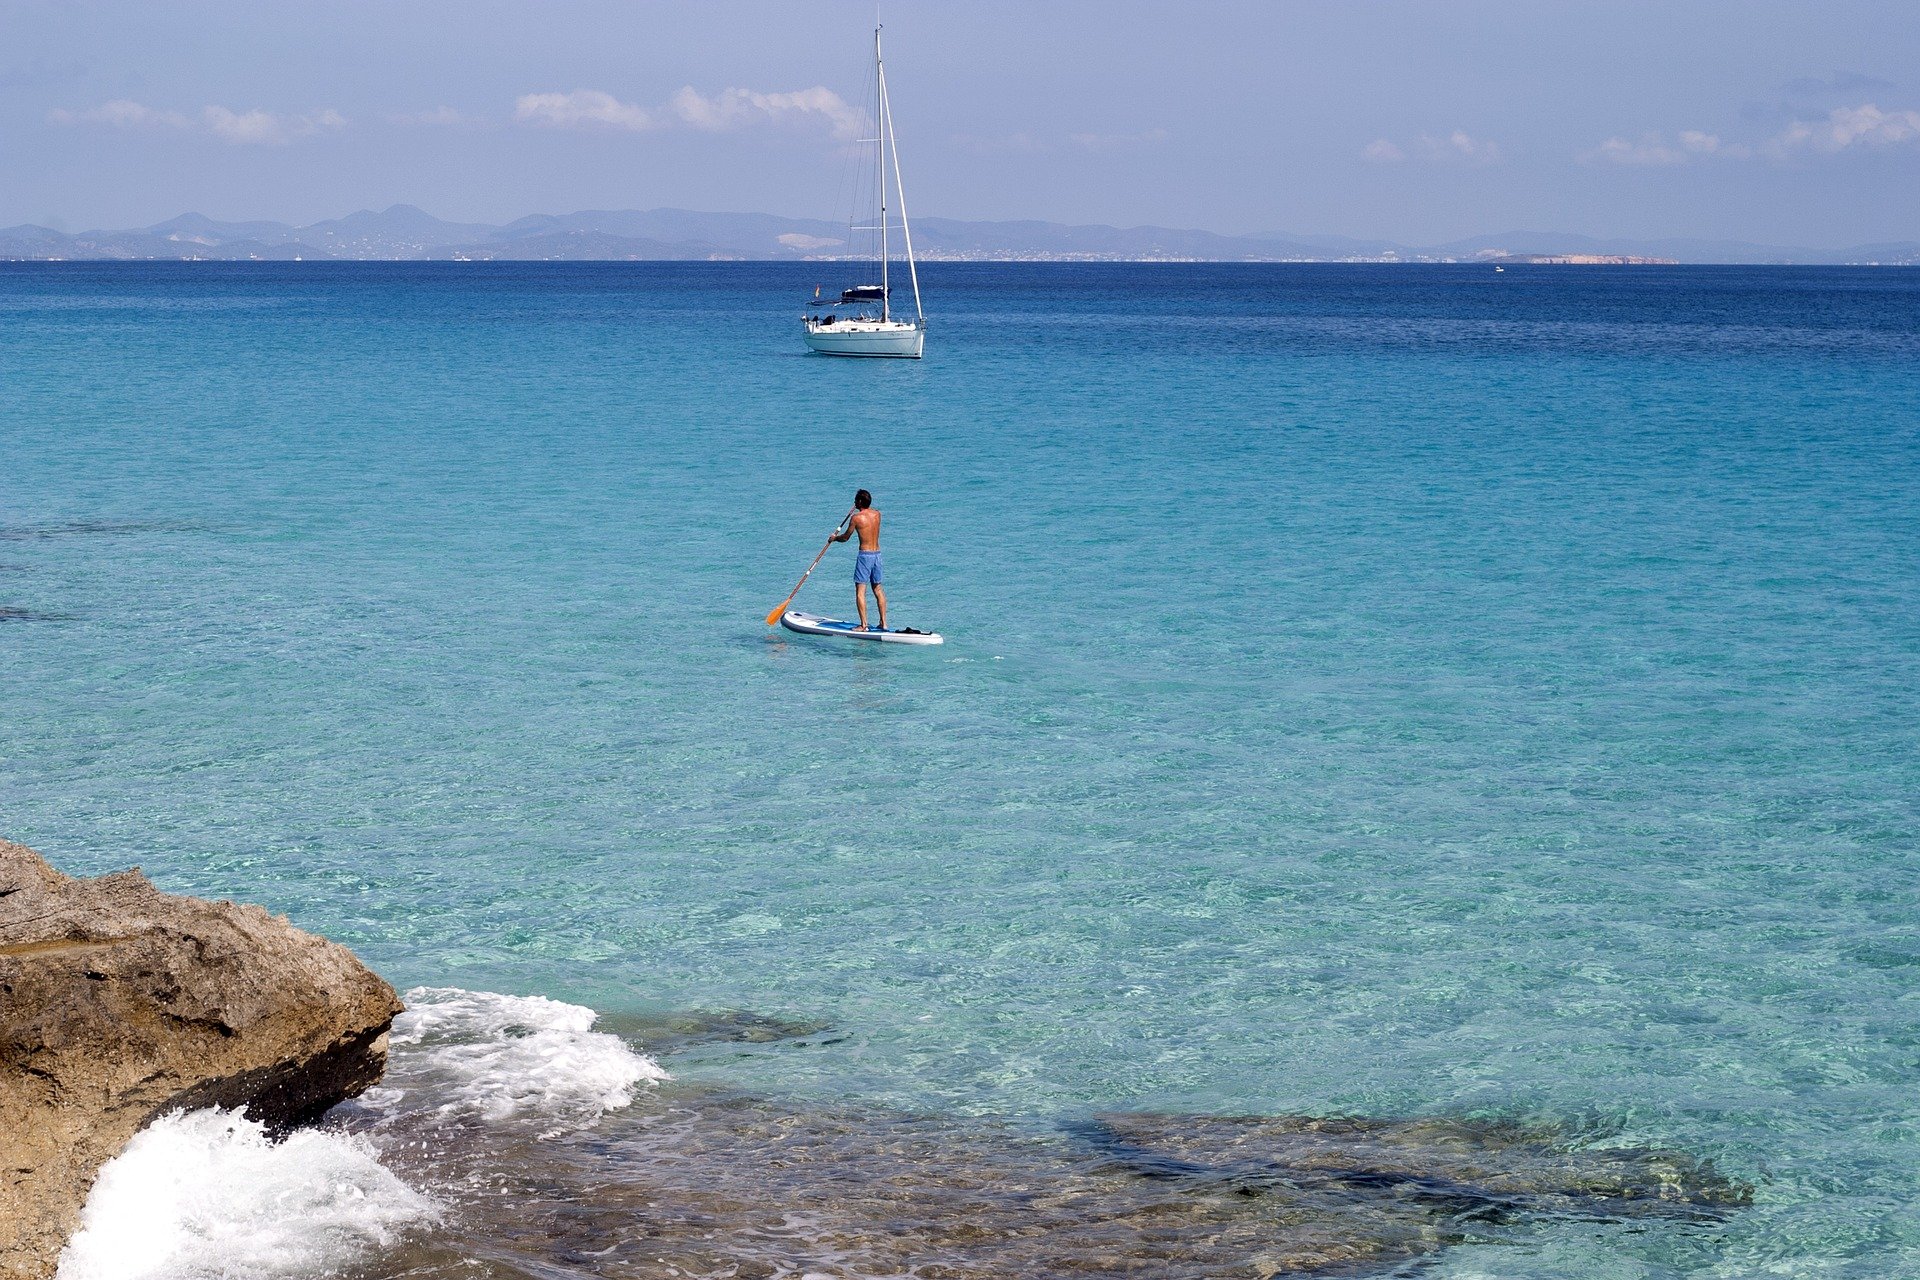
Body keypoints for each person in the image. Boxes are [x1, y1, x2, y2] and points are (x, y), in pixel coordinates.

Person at [830, 489, 887, 631]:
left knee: (860, 591)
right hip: (877, 555)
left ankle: (864, 625)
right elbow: (869, 513)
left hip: (865, 556)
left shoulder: (856, 518)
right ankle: (884, 623)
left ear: (860, 501)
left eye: (856, 500)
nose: (854, 502)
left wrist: (834, 538)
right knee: (878, 589)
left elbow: (845, 538)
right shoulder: (877, 514)